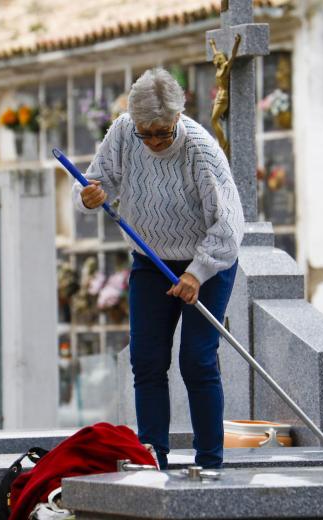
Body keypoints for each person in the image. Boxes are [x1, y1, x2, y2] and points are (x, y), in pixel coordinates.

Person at [72, 68, 244, 469]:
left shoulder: (199, 150)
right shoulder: (122, 133)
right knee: (147, 359)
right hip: (151, 259)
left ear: (177, 119)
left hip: (207, 261)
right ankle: (152, 456)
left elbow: (229, 224)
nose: (151, 141)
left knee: (197, 359)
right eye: (144, 132)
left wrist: (196, 273)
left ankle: (209, 462)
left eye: (161, 132)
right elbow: (95, 182)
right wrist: (90, 196)